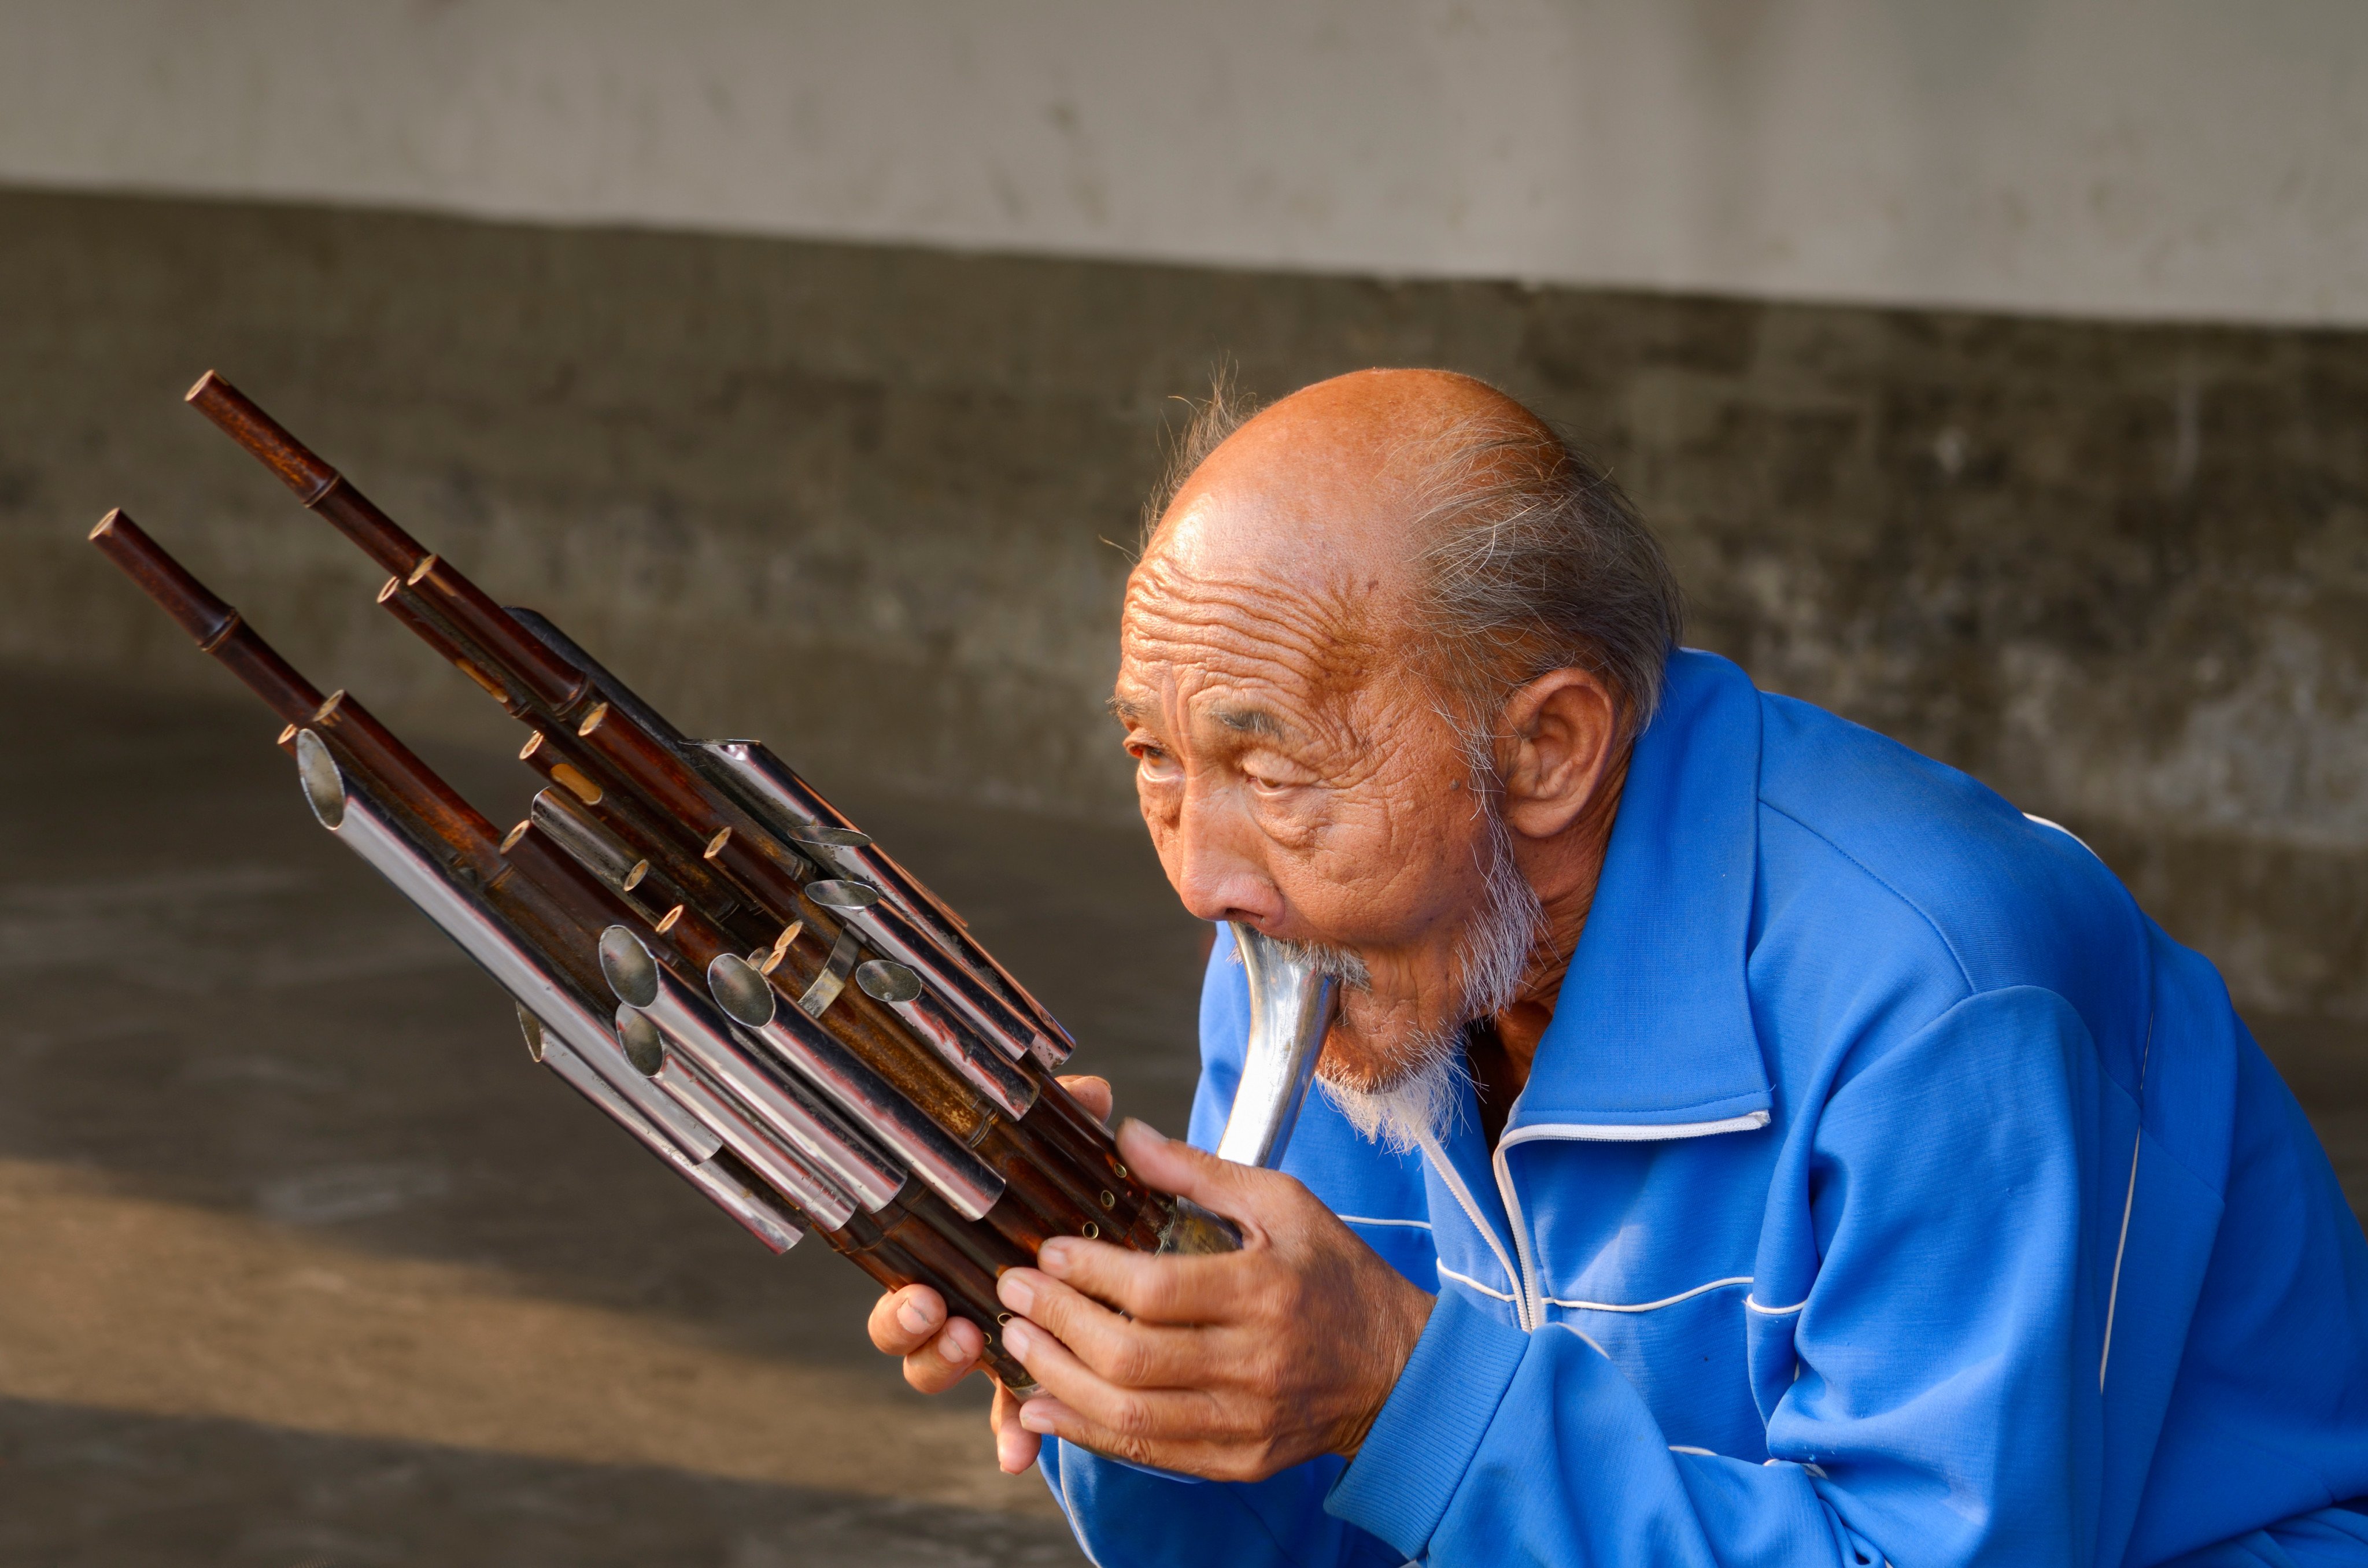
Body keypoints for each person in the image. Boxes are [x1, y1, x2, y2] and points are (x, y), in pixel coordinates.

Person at [869, 368, 2368, 1566]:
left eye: (1276, 768)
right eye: (1156, 760)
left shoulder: (1943, 997)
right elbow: (1319, 1540)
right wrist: (1121, 1379)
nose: (1206, 873)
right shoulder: (1304, 957)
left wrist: (1403, 1387)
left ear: (1546, 749)